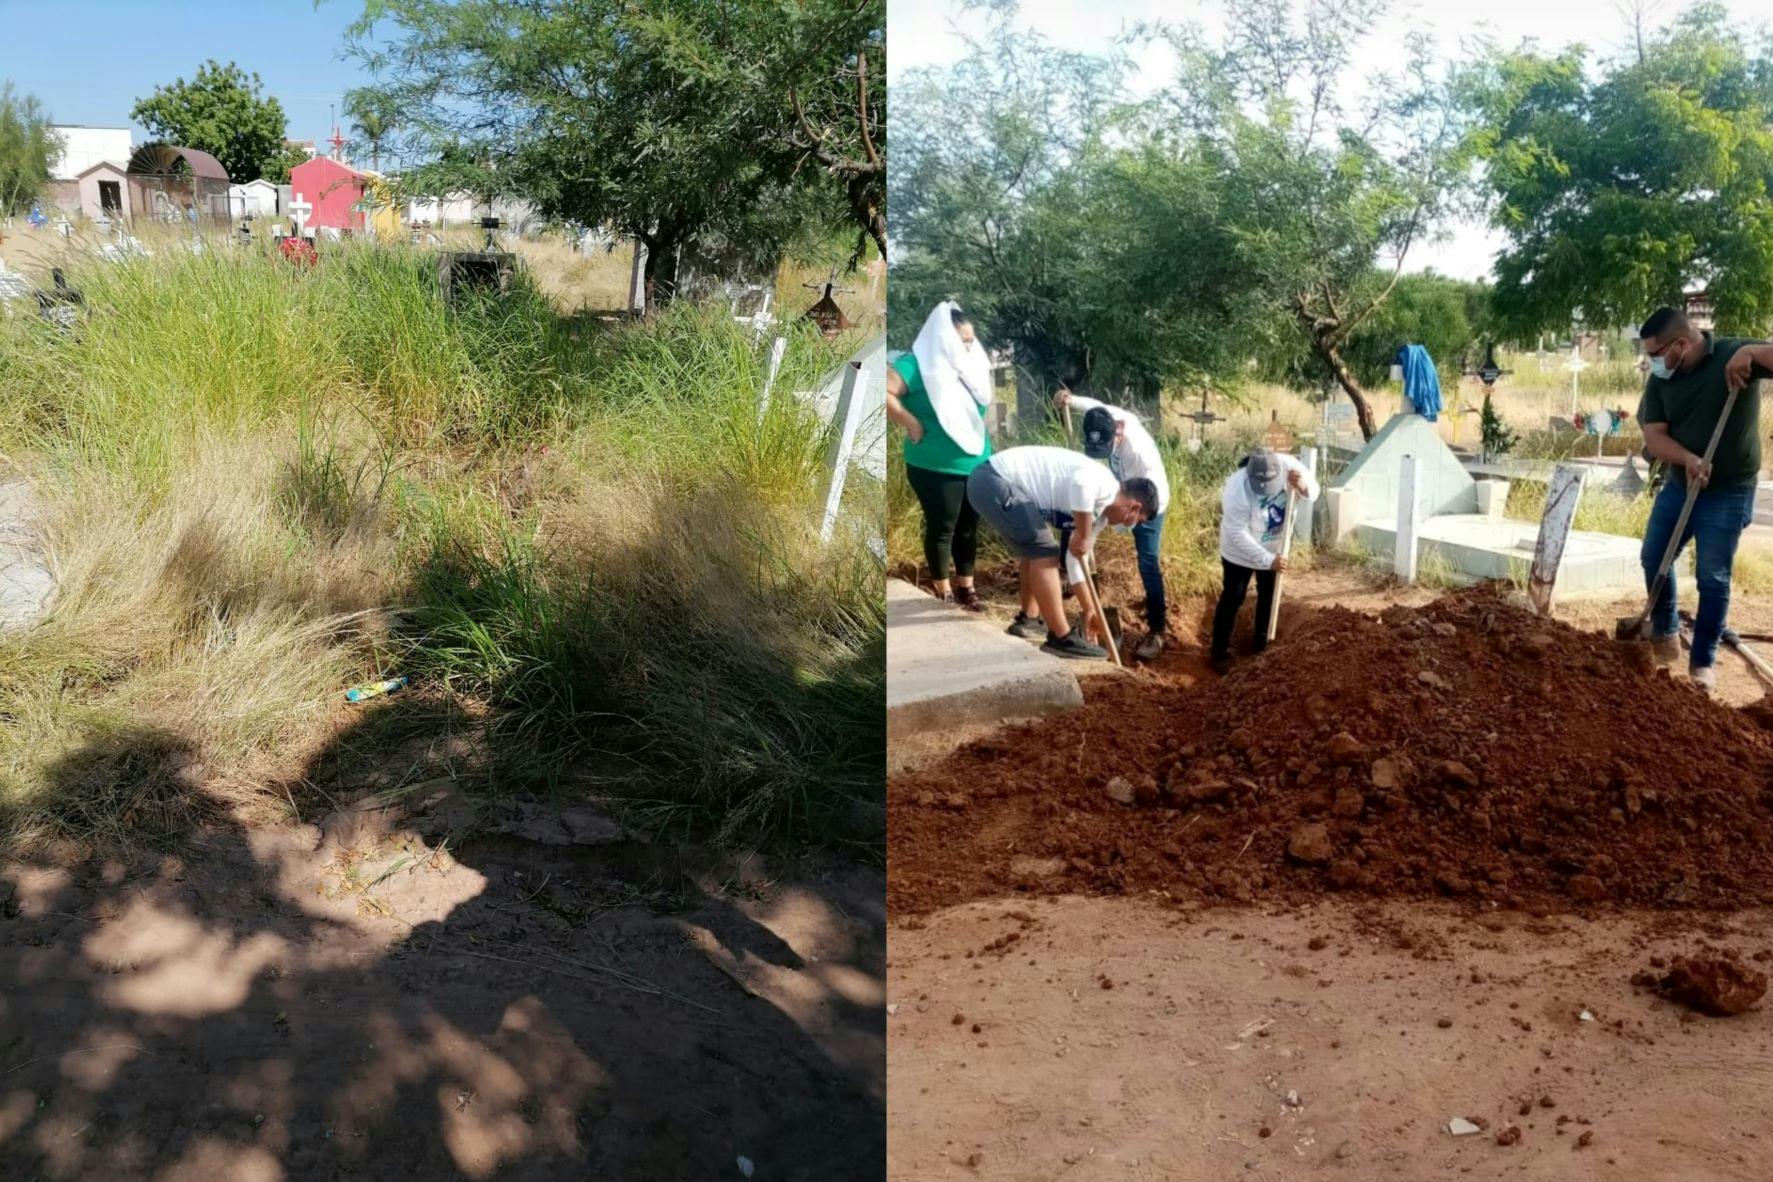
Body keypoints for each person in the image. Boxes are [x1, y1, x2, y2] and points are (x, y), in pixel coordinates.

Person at [1635, 305, 1773, 691]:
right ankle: (1664, 629)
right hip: (1682, 483)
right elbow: (1654, 436)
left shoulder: (1732, 352)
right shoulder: (1662, 381)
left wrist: (1752, 354)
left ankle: (1703, 664)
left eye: (1656, 354)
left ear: (1681, 344)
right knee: (1653, 556)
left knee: (1712, 578)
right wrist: (1689, 459)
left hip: (1729, 490)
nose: (1652, 363)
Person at [966, 445, 1160, 660]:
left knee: (1035, 549)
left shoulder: (1099, 517)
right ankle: (1061, 638)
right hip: (994, 479)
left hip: (992, 483)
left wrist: (1089, 609)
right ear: (1134, 508)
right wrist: (1083, 535)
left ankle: (1028, 621)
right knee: (1044, 552)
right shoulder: (1105, 485)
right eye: (1135, 520)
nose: (1129, 525)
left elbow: (1075, 559)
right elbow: (1080, 483)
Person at [886, 301, 994, 610]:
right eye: (961, 340)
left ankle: (967, 588)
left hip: (975, 462)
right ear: (943, 339)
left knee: (968, 528)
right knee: (943, 525)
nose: (968, 346)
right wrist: (911, 423)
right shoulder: (918, 365)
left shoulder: (973, 367)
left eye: (971, 340)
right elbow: (885, 390)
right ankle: (942, 589)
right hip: (933, 463)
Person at [1054, 390, 1172, 660]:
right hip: (1121, 495)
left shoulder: (1139, 457)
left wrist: (1110, 525)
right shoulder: (1109, 419)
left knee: (1148, 562)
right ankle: (1084, 598)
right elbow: (1096, 407)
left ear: (1119, 431)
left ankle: (1157, 630)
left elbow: (1127, 507)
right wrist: (1070, 401)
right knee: (1079, 530)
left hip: (1147, 504)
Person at [1212, 448, 1319, 673]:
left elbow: (1314, 493)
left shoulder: (1291, 467)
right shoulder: (1235, 489)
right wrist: (1266, 559)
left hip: (1275, 546)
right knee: (1233, 596)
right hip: (1239, 553)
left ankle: (1262, 646)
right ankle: (1218, 652)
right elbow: (1235, 531)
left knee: (1268, 595)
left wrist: (1302, 487)